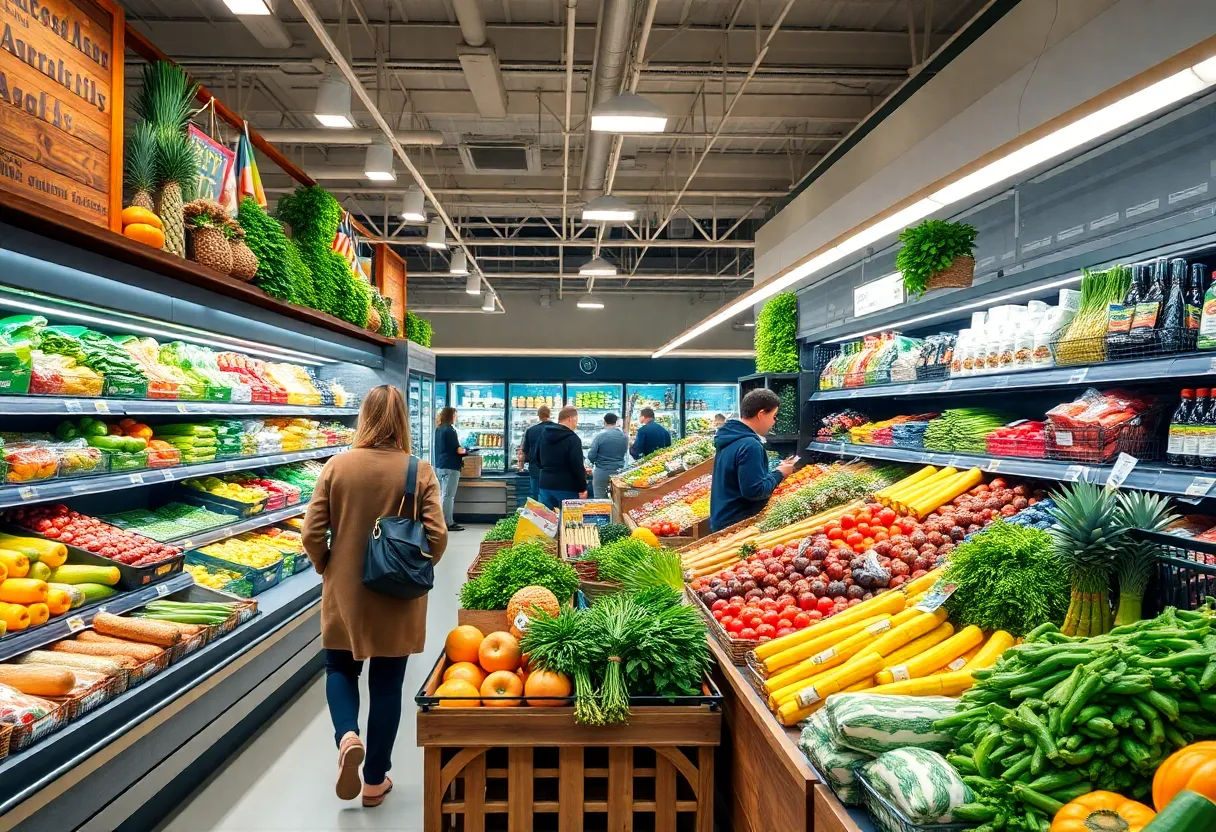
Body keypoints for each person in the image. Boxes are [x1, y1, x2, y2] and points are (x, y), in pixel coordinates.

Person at [302, 385, 448, 807]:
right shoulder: (418, 471)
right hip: (396, 594)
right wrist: (413, 569)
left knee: (339, 668)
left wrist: (329, 566)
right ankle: (374, 781)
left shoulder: (336, 467)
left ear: (363, 418)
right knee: (387, 684)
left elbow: (311, 534)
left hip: (345, 591)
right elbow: (436, 538)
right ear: (403, 420)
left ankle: (347, 734)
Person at [709, 388, 796, 532]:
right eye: (774, 416)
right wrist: (780, 473)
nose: (774, 422)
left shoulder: (729, 437)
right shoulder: (750, 445)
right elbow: (754, 491)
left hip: (722, 520)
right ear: (761, 414)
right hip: (738, 526)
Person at [536, 405, 587, 510]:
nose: (576, 424)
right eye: (576, 420)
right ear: (570, 419)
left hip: (545, 484)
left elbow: (535, 457)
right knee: (568, 523)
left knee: (546, 522)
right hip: (567, 487)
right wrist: (582, 488)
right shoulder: (573, 439)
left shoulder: (544, 435)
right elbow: (577, 466)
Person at [433, 407, 466, 532]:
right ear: (450, 416)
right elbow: (457, 449)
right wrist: (467, 451)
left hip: (440, 465)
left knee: (443, 494)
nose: (456, 417)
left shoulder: (438, 429)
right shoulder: (450, 430)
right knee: (448, 496)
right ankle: (448, 522)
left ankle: (441, 521)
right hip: (451, 466)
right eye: (455, 415)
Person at [587, 412, 628, 499]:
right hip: (619, 472)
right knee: (617, 499)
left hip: (601, 472)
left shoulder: (600, 436)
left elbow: (591, 455)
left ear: (604, 422)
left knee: (600, 499)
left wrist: (595, 461)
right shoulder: (624, 437)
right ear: (616, 422)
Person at [517, 405, 551, 500]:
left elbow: (525, 451)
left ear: (538, 415)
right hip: (552, 471)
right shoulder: (557, 429)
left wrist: (521, 467)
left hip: (535, 469)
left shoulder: (531, 430)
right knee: (551, 498)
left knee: (535, 497)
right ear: (549, 414)